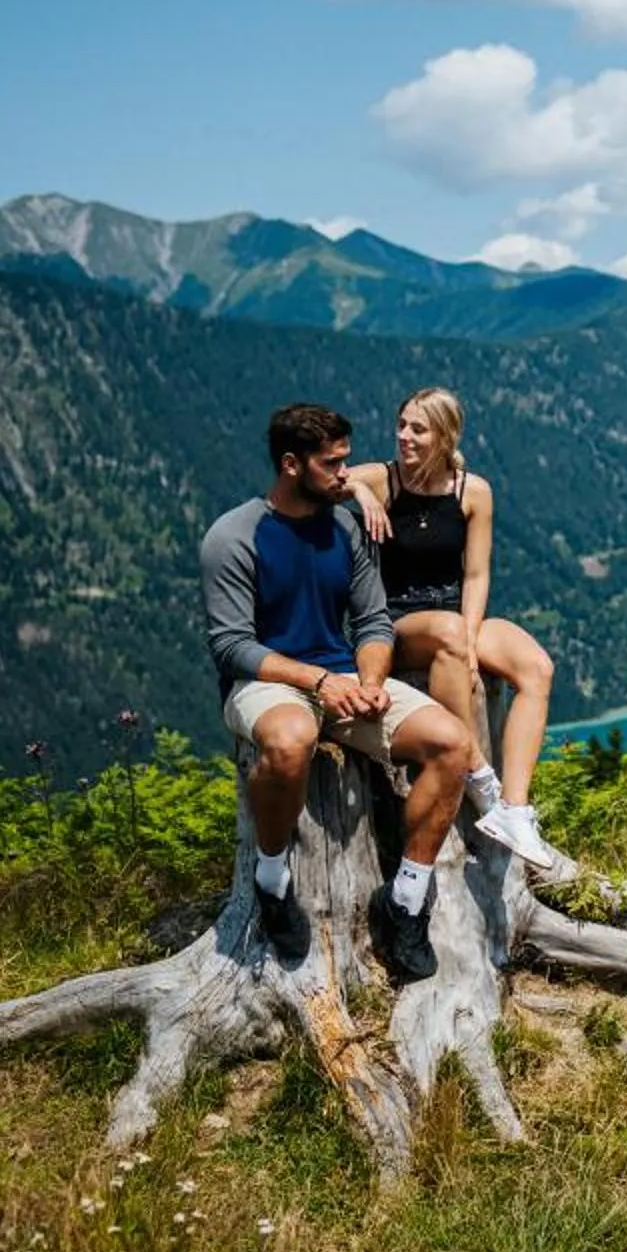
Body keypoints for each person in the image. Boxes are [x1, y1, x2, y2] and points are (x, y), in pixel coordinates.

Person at [200, 401, 474, 982]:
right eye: (333, 465)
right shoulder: (234, 535)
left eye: (348, 461)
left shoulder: (345, 528)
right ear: (292, 464)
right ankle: (272, 879)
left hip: (344, 680)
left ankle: (403, 900)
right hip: (266, 682)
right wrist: (318, 680)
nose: (346, 476)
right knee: (293, 738)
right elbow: (231, 646)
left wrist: (371, 683)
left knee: (452, 743)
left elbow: (373, 622)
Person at [347, 386, 559, 872]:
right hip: (395, 621)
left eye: (417, 429)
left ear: (445, 436)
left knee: (536, 666)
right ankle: (481, 777)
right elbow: (324, 479)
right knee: (445, 632)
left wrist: (469, 636)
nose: (404, 436)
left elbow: (476, 574)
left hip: (454, 616)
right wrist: (359, 490)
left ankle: (514, 809)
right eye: (401, 424)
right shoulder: (383, 479)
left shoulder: (474, 491)